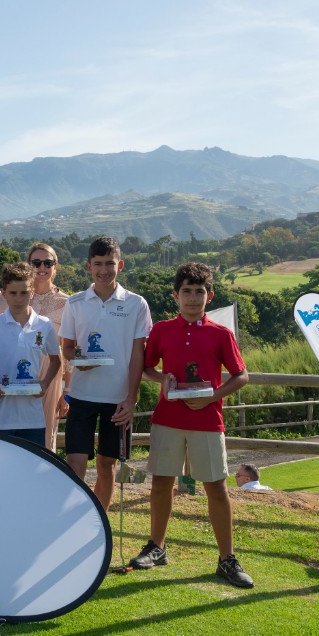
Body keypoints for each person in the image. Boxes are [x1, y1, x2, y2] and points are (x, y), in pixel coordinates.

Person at [132, 262, 254, 588]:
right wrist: (163, 379)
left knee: (216, 487)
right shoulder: (161, 330)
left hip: (207, 421)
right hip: (168, 418)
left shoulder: (221, 334)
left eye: (199, 291)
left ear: (209, 295)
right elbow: (146, 368)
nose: (192, 297)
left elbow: (242, 375)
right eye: (186, 291)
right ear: (175, 294)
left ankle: (227, 559)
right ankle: (157, 547)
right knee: (161, 483)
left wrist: (214, 395)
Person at [60, 236, 151, 510]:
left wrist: (130, 399)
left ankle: (100, 526)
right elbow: (67, 349)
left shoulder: (137, 304)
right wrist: (80, 360)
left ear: (120, 265)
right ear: (88, 266)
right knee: (75, 463)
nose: (104, 270)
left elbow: (138, 355)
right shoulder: (74, 303)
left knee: (106, 465)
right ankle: (74, 519)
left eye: (109, 263)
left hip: (118, 399)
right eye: (98, 264)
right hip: (82, 395)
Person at [0, 263, 61, 445]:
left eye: (24, 293)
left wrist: (45, 384)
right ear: (4, 293)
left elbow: (56, 360)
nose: (18, 298)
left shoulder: (44, 324)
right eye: (13, 293)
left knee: (29, 470)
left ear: (32, 292)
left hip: (32, 417)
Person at [28, 242, 71, 452]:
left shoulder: (67, 304)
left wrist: (67, 392)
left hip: (51, 376)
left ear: (56, 266)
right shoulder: (17, 297)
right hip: (21, 372)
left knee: (46, 437)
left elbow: (70, 351)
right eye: (36, 262)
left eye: (47, 262)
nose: (41, 267)